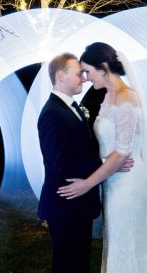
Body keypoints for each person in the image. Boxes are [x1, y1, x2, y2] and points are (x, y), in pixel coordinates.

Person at [57, 42, 147, 273]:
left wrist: (87, 184)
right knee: (117, 242)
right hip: (112, 182)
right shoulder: (108, 97)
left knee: (128, 243)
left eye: (88, 71)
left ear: (103, 67)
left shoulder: (126, 97)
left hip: (128, 184)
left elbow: (122, 152)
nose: (87, 78)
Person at [37, 53, 103, 273]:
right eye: (78, 74)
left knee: (79, 265)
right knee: (67, 266)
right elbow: (59, 164)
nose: (83, 79)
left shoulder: (70, 108)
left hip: (77, 204)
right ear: (60, 76)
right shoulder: (51, 114)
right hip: (65, 205)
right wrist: (104, 164)